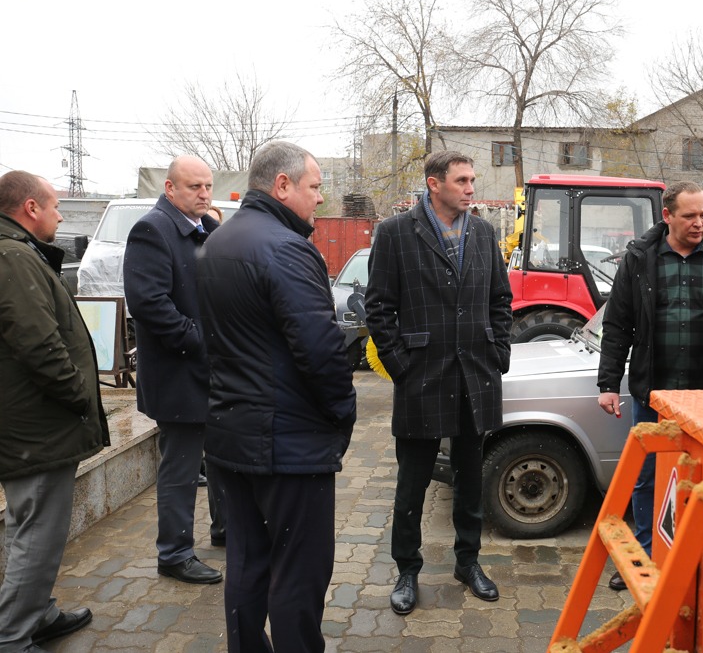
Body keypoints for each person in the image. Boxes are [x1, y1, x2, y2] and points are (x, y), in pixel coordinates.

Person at [196, 141, 356, 652]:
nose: (319, 200)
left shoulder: (219, 241)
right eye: (313, 188)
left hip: (231, 434)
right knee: (298, 574)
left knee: (246, 561)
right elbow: (320, 349)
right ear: (282, 185)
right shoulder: (287, 248)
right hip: (287, 444)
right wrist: (342, 414)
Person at [597, 180, 703, 590]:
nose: (699, 223)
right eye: (690, 216)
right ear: (667, 215)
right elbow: (618, 325)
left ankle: (700, 558)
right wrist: (608, 382)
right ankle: (646, 556)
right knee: (649, 477)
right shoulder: (639, 259)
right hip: (654, 392)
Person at [365, 151, 513, 615]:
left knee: (471, 478)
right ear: (434, 184)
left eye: (472, 180)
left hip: (476, 375)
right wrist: (401, 366)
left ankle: (467, 563)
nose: (472, 188)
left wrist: (498, 353)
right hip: (422, 378)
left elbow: (501, 299)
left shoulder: (484, 232)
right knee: (412, 483)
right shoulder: (395, 233)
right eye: (463, 180)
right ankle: (407, 570)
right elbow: (379, 307)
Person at [0, 171, 111, 652]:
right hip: (37, 428)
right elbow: (40, 345)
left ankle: (36, 614)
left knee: (27, 527)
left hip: (30, 425)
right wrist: (79, 395)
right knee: (37, 534)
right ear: (29, 208)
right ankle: (13, 636)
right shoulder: (14, 258)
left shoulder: (16, 254)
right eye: (54, 206)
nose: (61, 214)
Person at [123, 156, 226, 585]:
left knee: (222, 457)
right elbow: (149, 304)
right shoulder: (152, 229)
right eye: (194, 187)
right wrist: (203, 342)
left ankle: (225, 530)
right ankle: (174, 553)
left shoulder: (206, 228)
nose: (204, 194)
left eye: (207, 186)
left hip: (211, 372)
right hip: (179, 375)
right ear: (170, 188)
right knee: (181, 468)